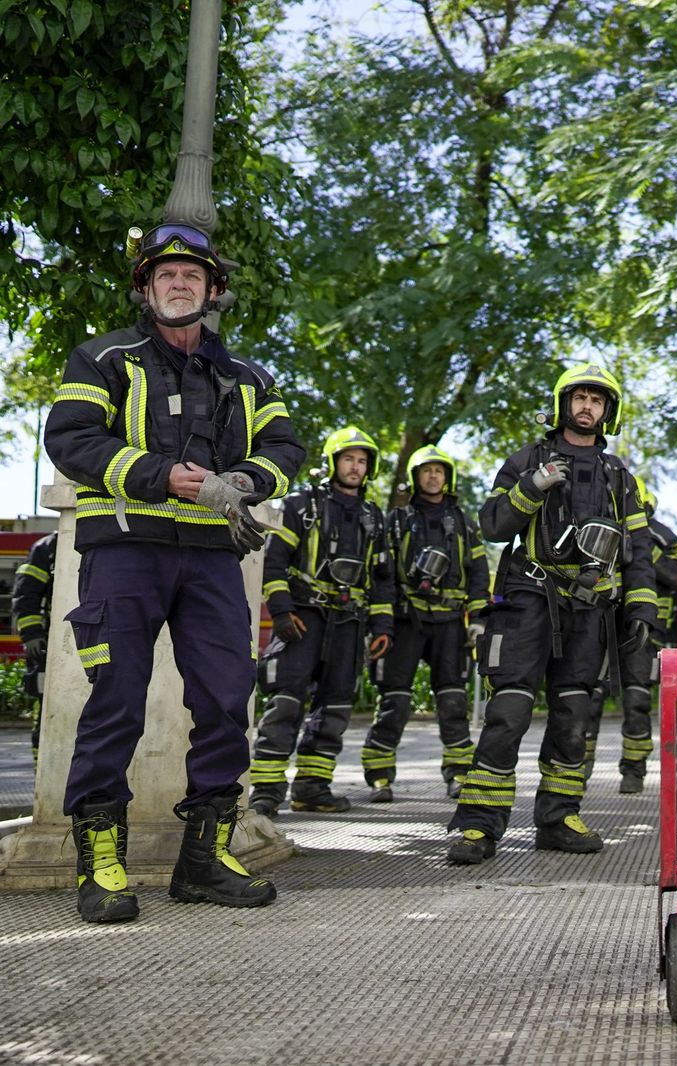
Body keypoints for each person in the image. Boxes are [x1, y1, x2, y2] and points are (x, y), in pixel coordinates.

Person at [43, 222, 305, 923]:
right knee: (116, 703)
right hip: (126, 550)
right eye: (165, 275)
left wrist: (243, 481)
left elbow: (286, 444)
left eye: (193, 275)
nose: (179, 282)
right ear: (146, 289)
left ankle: (203, 859)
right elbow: (71, 441)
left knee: (226, 700)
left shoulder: (249, 376)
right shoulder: (101, 358)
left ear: (214, 290)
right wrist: (169, 478)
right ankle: (100, 864)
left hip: (214, 560)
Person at [444, 362, 657, 864]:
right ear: (564, 405)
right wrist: (532, 487)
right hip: (527, 599)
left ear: (608, 412)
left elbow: (640, 549)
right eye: (579, 397)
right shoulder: (526, 460)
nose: (587, 406)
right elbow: (493, 525)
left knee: (574, 717)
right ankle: (478, 825)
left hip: (590, 608)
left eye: (597, 400)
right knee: (509, 711)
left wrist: (641, 609)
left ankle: (559, 818)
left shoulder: (620, 477)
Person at [250, 426, 395, 817]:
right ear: (333, 463)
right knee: (285, 702)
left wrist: (382, 628)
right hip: (303, 618)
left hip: (349, 623)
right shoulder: (303, 506)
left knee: (335, 709)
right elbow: (274, 560)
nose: (355, 466)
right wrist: (281, 611)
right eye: (348, 458)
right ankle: (265, 790)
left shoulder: (373, 517)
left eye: (362, 460)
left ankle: (312, 788)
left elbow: (383, 579)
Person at [360, 444, 489, 802]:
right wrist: (382, 621)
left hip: (450, 623)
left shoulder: (464, 521)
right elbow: (382, 574)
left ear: (447, 478)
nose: (433, 476)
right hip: (406, 619)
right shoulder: (397, 520)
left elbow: (479, 573)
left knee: (452, 703)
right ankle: (380, 775)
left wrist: (478, 620)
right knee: (395, 702)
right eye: (426, 470)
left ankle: (460, 772)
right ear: (415, 478)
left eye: (439, 471)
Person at [593, 475, 677, 793]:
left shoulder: (665, 537)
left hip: (642, 628)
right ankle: (578, 768)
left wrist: (642, 548)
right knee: (589, 696)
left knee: (636, 697)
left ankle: (634, 770)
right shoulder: (602, 525)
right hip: (600, 622)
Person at [10, 531, 56, 771]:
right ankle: (42, 770)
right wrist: (32, 636)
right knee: (46, 709)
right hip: (48, 649)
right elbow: (25, 595)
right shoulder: (47, 548)